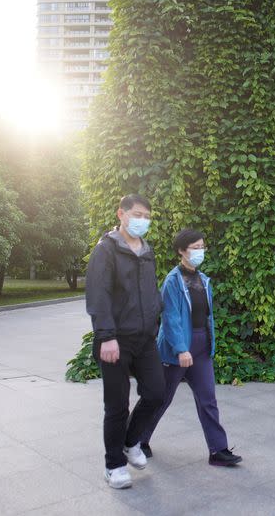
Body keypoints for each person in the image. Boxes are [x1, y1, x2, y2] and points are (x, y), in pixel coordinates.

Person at [140, 228, 242, 467]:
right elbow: (171, 317)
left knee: (208, 399)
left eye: (202, 247)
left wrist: (208, 342)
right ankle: (138, 439)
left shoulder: (204, 280)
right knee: (160, 398)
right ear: (181, 251)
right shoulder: (172, 281)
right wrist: (180, 348)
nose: (200, 251)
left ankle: (218, 450)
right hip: (177, 349)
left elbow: (206, 316)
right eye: (195, 248)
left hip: (201, 346)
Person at [85, 194, 166, 489]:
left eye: (147, 216)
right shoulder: (106, 250)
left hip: (145, 338)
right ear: (121, 213)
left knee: (157, 392)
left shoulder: (147, 251)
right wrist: (105, 336)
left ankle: (131, 442)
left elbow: (151, 290)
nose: (142, 220)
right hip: (115, 340)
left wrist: (155, 322)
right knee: (117, 405)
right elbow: (98, 294)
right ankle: (114, 465)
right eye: (137, 214)